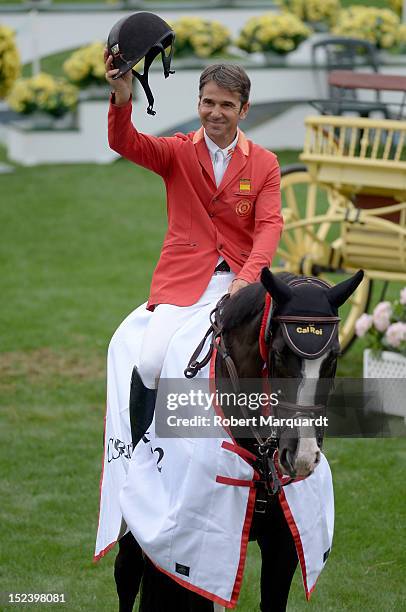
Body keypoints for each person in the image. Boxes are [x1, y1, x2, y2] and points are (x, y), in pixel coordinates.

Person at [95, 54, 283, 584]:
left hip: (242, 282)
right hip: (182, 280)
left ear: (243, 109)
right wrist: (123, 94)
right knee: (153, 360)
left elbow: (269, 227)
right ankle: (139, 453)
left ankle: (279, 460)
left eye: (226, 105)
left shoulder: (264, 163)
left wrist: (247, 280)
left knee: (278, 358)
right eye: (207, 102)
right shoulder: (178, 151)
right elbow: (124, 143)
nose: (215, 112)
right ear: (197, 103)